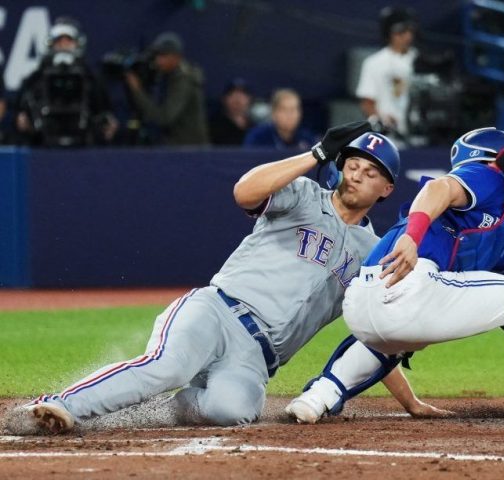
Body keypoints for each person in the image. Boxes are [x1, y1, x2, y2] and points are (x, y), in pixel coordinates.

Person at [9, 122, 448, 435]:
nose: (357, 173)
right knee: (169, 365)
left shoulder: (369, 251)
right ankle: (60, 405)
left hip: (256, 358)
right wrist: (313, 155)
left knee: (230, 410)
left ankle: (146, 410)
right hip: (218, 310)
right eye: (354, 162)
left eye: (372, 172)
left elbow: (370, 331)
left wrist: (408, 401)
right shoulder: (302, 194)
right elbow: (244, 191)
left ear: (387, 190)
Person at [286, 127, 504, 429]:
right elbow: (437, 189)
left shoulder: (494, 229)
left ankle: (319, 396)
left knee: (387, 340)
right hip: (411, 283)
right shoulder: (489, 176)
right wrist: (413, 236)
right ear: (498, 158)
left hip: (367, 302)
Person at [14, 16, 117, 147]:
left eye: (68, 41)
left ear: (78, 44)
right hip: (43, 143)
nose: (63, 46)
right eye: (59, 41)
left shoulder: (91, 79)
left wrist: (106, 125)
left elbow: (105, 111)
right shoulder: (36, 79)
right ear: (51, 44)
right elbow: (21, 111)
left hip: (84, 143)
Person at [125, 32, 209, 145]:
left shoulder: (183, 80)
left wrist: (137, 91)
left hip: (189, 149)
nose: (158, 61)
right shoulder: (169, 76)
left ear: (176, 57)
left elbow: (164, 117)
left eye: (162, 56)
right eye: (157, 56)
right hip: (181, 147)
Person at [356, 6, 418, 138]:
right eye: (401, 31)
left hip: (420, 135)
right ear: (389, 33)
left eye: (409, 30)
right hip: (387, 137)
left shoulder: (420, 60)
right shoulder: (374, 62)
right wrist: (382, 121)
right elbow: (367, 103)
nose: (407, 36)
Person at [242, 89, 315, 149]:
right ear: (274, 113)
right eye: (284, 109)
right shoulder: (257, 138)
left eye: (293, 109)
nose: (290, 115)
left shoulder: (308, 139)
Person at [209, 78, 253, 146]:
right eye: (232, 94)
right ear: (224, 99)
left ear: (249, 99)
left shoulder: (255, 127)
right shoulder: (213, 126)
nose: (237, 99)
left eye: (242, 95)